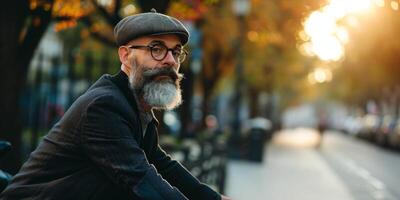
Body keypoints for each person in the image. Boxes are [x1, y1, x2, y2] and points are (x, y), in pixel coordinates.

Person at [0, 9, 231, 200]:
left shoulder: (137, 106)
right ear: (125, 56)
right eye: (156, 49)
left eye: (176, 51)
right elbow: (141, 177)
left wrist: (216, 199)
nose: (170, 60)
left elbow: (163, 166)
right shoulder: (104, 106)